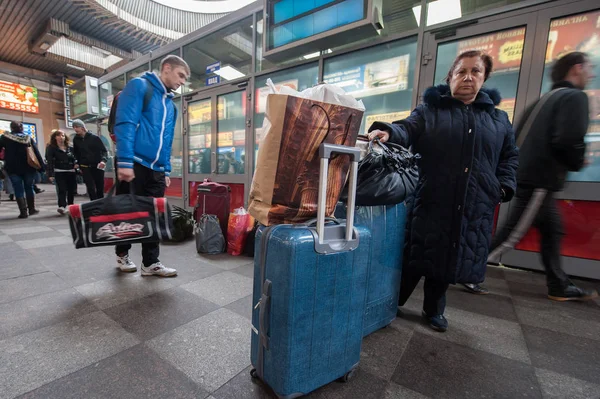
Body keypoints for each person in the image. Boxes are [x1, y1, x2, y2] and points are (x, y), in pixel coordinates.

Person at [368, 50, 518, 332]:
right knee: (414, 254)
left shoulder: (498, 120)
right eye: (461, 72)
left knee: (450, 257)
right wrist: (388, 132)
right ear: (450, 77)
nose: (468, 77)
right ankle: (391, 301)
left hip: (474, 202)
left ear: (483, 79)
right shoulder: (430, 111)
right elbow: (407, 128)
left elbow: (510, 156)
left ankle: (433, 309)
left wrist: (502, 186)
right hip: (431, 198)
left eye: (475, 72)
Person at [467, 52, 597, 301]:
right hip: (540, 179)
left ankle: (558, 283)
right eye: (589, 69)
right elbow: (567, 140)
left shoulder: (545, 99)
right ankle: (467, 270)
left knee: (553, 230)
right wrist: (579, 160)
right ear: (576, 68)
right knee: (512, 233)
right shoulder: (574, 98)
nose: (591, 74)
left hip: (531, 176)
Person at [113, 54, 189, 277]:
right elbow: (125, 123)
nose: (183, 81)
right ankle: (122, 254)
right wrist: (125, 162)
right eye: (180, 75)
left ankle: (150, 263)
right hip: (134, 163)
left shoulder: (170, 105)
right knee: (128, 213)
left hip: (156, 170)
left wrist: (165, 169)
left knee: (154, 216)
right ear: (166, 68)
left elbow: (167, 140)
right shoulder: (139, 86)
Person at [0, 121, 45, 218]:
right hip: (28, 167)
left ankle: (23, 212)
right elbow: (36, 153)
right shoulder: (27, 138)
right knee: (29, 187)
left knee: (18, 189)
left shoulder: (4, 138)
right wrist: (42, 167)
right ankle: (32, 209)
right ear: (22, 128)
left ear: (11, 128)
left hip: (12, 168)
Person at [72, 119, 107, 201]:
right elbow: (76, 153)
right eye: (74, 127)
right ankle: (93, 204)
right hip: (85, 166)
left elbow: (104, 151)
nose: (75, 129)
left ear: (82, 127)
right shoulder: (76, 140)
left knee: (99, 186)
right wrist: (77, 162)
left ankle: (101, 203)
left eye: (77, 127)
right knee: (90, 187)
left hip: (97, 166)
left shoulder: (95, 138)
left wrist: (103, 161)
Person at [46, 129, 78, 214]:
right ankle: (62, 206)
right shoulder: (51, 148)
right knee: (62, 189)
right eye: (59, 135)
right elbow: (50, 161)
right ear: (55, 137)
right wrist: (50, 174)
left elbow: (76, 158)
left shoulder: (70, 148)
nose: (61, 137)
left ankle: (70, 205)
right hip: (59, 171)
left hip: (71, 171)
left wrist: (76, 163)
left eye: (63, 135)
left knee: (71, 190)